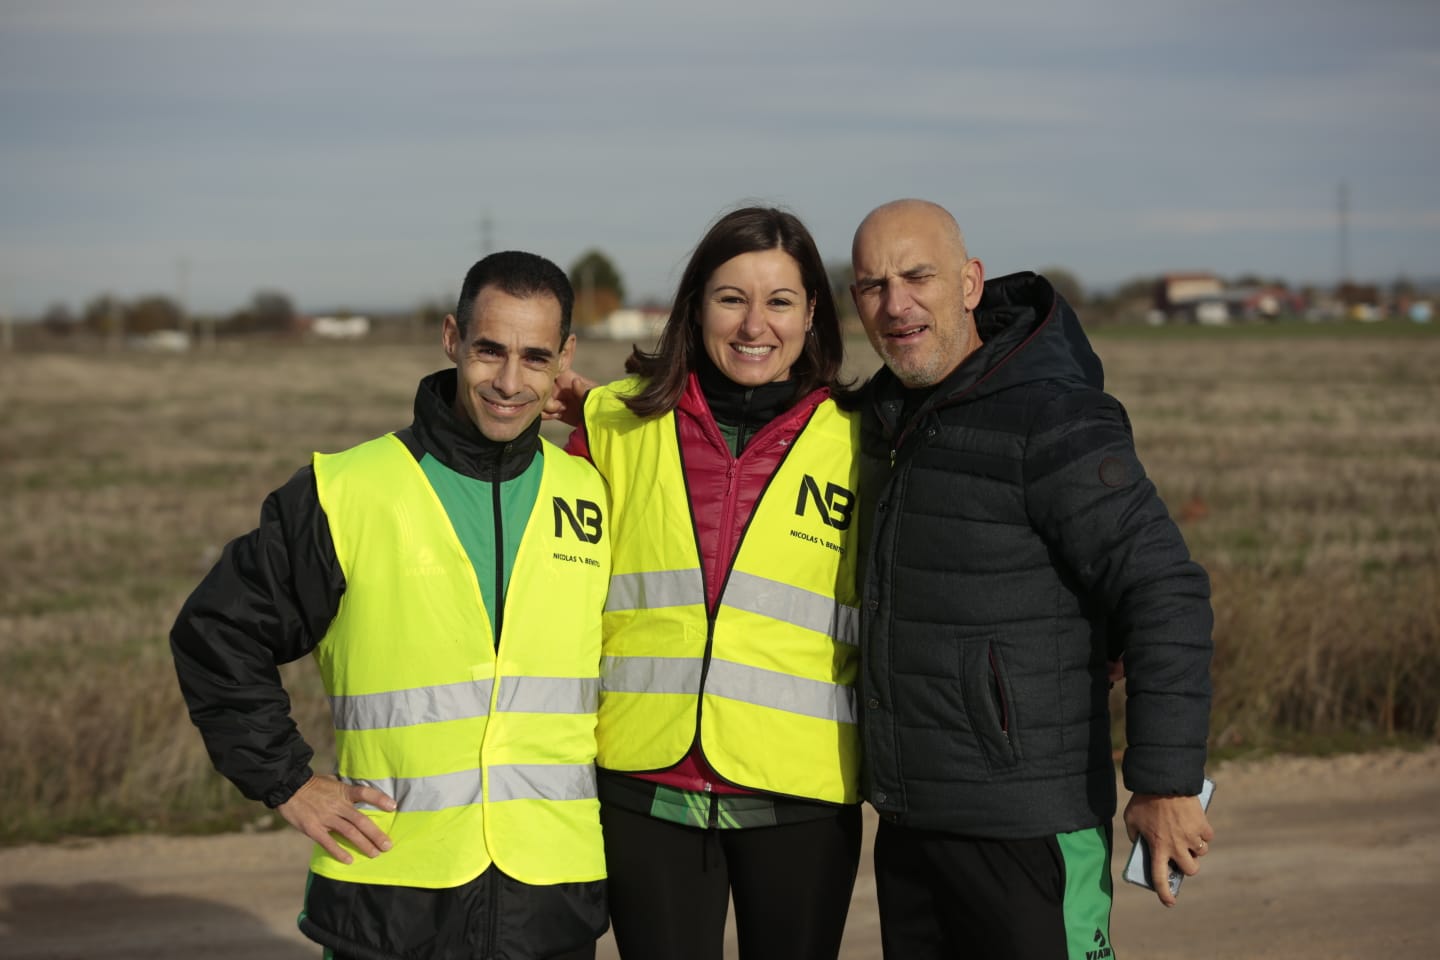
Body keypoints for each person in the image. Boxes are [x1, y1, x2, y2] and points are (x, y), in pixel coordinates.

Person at [170, 251, 612, 960]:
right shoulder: (347, 491)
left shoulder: (593, 493)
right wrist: (287, 780)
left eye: (535, 357)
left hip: (550, 903)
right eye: (489, 349)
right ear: (451, 338)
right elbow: (215, 632)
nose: (508, 380)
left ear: (565, 359)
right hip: (391, 898)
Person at [848, 199, 1215, 959]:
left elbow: (1163, 588)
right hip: (912, 829)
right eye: (872, 285)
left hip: (1030, 830)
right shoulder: (886, 422)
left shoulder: (1052, 416)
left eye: (917, 276)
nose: (895, 304)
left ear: (971, 282)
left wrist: (1164, 782)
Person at [552, 206, 863, 960]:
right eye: (731, 298)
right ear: (696, 305)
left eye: (780, 301)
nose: (755, 324)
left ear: (812, 312)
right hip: (644, 791)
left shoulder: (866, 440)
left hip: (801, 797)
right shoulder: (612, 426)